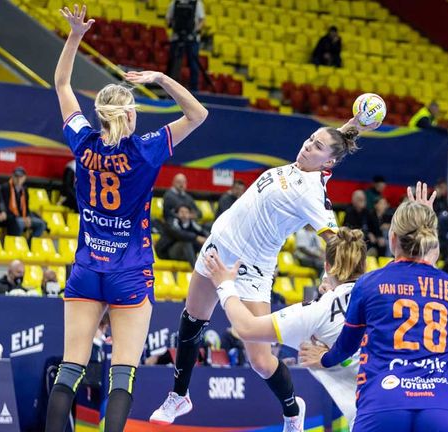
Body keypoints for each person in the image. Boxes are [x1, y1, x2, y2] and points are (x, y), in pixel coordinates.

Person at [150, 113, 380, 430]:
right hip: (217, 247)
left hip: (250, 270)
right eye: (310, 139)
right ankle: (179, 395)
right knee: (192, 320)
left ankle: (291, 409)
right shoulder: (306, 162)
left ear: (329, 162)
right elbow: (333, 140)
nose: (307, 146)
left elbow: (336, 242)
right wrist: (356, 121)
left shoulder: (313, 194)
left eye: (316, 147)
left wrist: (331, 278)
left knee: (260, 361)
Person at [45, 5, 208, 432]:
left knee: (70, 369)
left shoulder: (83, 142)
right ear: (130, 115)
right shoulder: (147, 149)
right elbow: (198, 114)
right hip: (131, 272)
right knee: (123, 373)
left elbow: (61, 82)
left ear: (100, 116)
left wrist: (76, 36)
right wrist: (160, 78)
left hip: (86, 269)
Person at [299, 183, 448, 432]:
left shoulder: (368, 284)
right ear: (430, 239)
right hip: (440, 407)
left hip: (384, 403)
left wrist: (323, 359)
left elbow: (346, 347)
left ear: (393, 238)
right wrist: (428, 221)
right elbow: (428, 266)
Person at [203, 227, 367, 428]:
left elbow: (246, 327)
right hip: (410, 399)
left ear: (327, 266)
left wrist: (225, 284)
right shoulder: (384, 293)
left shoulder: (319, 310)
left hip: (371, 417)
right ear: (364, 265)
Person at [166, 0, 205, 91]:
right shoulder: (175, 3)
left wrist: (194, 31)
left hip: (192, 39)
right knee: (173, 63)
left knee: (193, 64)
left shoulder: (197, 3)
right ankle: (170, 88)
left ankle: (194, 89)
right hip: (177, 37)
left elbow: (202, 20)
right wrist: (173, 26)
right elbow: (168, 18)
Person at [1, 166, 47, 238]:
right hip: (10, 217)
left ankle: (30, 244)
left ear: (24, 178)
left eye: (21, 177)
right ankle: (17, 244)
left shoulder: (24, 190)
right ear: (12, 176)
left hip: (22, 217)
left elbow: (27, 207)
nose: (18, 179)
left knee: (41, 224)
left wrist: (27, 217)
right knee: (19, 223)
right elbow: (5, 207)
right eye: (16, 177)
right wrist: (21, 218)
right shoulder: (5, 188)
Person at [344, 189, 384, 255]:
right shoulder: (349, 212)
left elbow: (375, 227)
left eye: (364, 199)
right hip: (355, 239)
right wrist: (367, 233)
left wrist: (379, 236)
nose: (362, 201)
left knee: (382, 242)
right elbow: (348, 228)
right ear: (354, 200)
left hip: (368, 241)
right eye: (360, 199)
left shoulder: (368, 212)